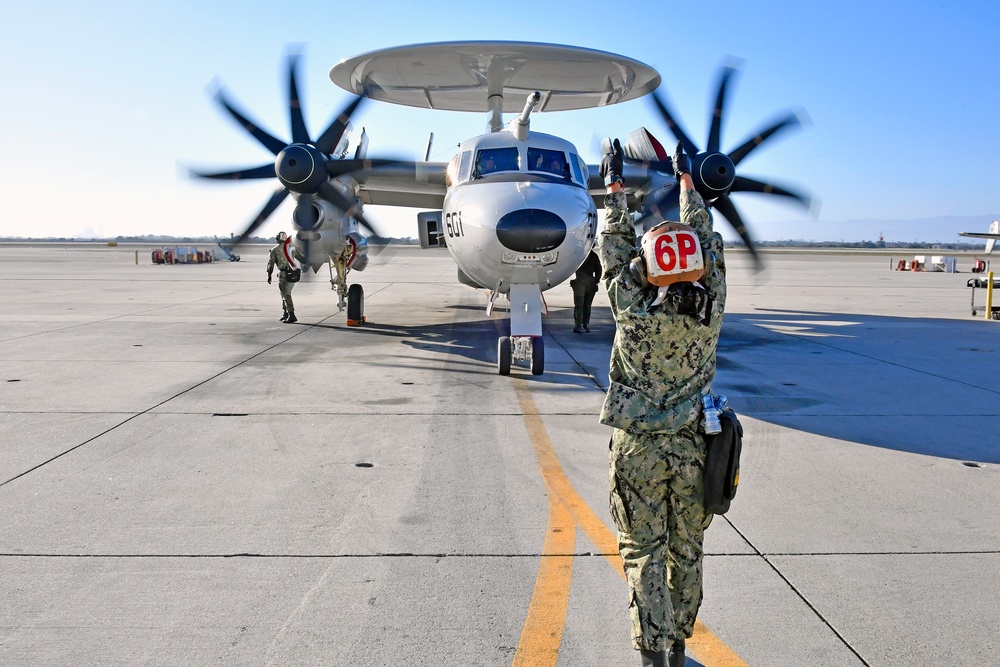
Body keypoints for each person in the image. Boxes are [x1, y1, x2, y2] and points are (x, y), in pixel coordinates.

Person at [597, 138, 727, 667]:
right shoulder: (710, 312)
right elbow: (707, 243)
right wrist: (689, 182)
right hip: (693, 448)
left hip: (638, 451)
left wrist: (615, 191)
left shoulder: (632, 312)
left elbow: (613, 253)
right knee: (686, 549)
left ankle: (651, 649)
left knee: (643, 551)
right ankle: (677, 642)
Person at [266, 231, 297, 324]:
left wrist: (269, 275)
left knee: (286, 294)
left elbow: (270, 264)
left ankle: (291, 314)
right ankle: (286, 313)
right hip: (292, 273)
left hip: (284, 274)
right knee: (284, 293)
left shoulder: (274, 250)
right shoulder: (291, 248)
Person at [571, 250, 602, 333]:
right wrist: (596, 281)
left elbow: (570, 266)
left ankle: (579, 325)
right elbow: (599, 269)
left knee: (579, 304)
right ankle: (584, 325)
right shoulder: (593, 255)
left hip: (581, 281)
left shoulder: (578, 254)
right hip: (589, 282)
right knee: (586, 305)